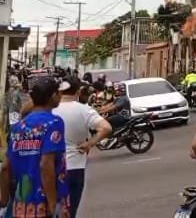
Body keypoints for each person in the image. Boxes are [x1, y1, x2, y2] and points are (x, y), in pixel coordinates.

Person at [0, 75, 70, 217]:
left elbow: (6, 167)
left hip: (21, 205)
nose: (61, 95)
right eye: (59, 92)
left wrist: (4, 199)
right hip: (45, 203)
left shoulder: (19, 127)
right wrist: (52, 204)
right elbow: (46, 164)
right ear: (52, 96)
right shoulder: (53, 123)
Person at [53, 76, 112, 218]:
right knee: (70, 211)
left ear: (59, 91)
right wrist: (90, 143)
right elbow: (106, 128)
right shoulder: (84, 110)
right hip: (75, 166)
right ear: (78, 91)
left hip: (52, 166)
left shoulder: (50, 110)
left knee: (52, 210)